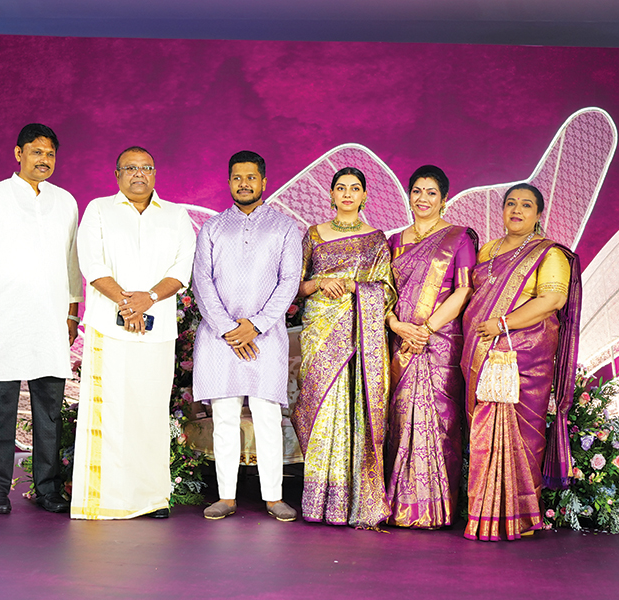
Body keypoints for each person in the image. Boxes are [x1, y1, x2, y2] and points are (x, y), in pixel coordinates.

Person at [0, 123, 82, 515]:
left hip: (50, 321)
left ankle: (47, 489)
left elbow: (72, 261)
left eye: (50, 154)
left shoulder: (65, 201)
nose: (43, 160)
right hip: (3, 320)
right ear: (19, 154)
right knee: (0, 410)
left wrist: (72, 310)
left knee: (50, 412)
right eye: (36, 152)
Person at [71, 146, 195, 520]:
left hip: (157, 334)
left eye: (146, 167)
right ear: (117, 174)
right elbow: (92, 263)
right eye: (130, 168)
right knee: (108, 413)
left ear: (155, 173)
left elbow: (182, 268)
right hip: (108, 330)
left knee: (150, 414)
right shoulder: (99, 210)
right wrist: (128, 304)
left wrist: (149, 298)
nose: (138, 173)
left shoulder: (175, 215)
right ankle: (104, 499)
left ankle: (151, 498)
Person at [460, 183, 582, 541]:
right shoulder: (488, 250)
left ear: (539, 213)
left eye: (526, 205)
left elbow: (552, 301)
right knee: (484, 435)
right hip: (482, 350)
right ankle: (482, 514)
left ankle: (520, 517)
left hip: (523, 358)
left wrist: (503, 323)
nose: (516, 210)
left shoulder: (549, 254)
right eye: (510, 203)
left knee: (521, 434)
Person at [192, 151, 301, 522]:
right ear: (229, 182)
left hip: (265, 338)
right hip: (219, 338)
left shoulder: (284, 227)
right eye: (237, 177)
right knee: (224, 417)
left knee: (267, 416)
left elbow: (289, 280)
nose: (244, 184)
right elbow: (202, 280)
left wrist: (255, 325)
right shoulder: (213, 228)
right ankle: (226, 497)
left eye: (251, 177)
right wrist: (228, 328)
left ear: (264, 181)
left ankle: (273, 497)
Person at [291, 167, 396, 528]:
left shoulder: (376, 240)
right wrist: (321, 282)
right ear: (332, 194)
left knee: (354, 412)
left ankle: (349, 502)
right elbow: (295, 287)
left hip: (357, 336)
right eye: (341, 188)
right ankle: (318, 501)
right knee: (320, 410)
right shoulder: (313, 234)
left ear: (364, 195)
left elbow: (385, 292)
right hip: (319, 332)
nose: (348, 194)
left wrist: (353, 287)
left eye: (355, 188)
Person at [384, 165, 477, 529]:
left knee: (441, 419)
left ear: (444, 199)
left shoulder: (459, 238)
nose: (423, 199)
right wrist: (397, 326)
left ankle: (436, 509)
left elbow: (464, 290)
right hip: (402, 340)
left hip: (440, 341)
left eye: (431, 193)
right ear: (409, 196)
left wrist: (426, 329)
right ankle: (398, 504)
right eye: (417, 191)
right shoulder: (394, 241)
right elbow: (383, 294)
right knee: (400, 417)